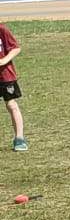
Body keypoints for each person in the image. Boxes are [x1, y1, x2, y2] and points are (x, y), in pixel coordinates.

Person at [0, 19, 26, 151]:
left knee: (11, 105)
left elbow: (15, 48)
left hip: (5, 76)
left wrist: (4, 60)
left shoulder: (2, 29)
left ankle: (19, 138)